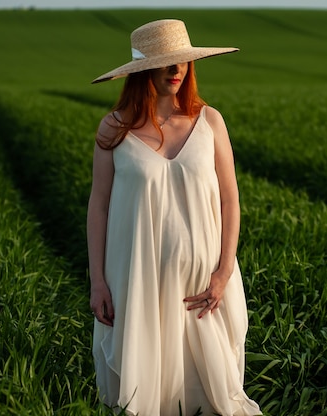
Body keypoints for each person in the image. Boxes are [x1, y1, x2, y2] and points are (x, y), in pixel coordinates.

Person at [86, 19, 262, 416]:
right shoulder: (113, 129)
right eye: (166, 62)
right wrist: (97, 281)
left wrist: (223, 273)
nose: (176, 70)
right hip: (138, 283)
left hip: (203, 290)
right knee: (145, 394)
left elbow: (230, 201)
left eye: (182, 62)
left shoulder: (210, 121)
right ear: (140, 72)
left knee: (212, 397)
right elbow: (98, 206)